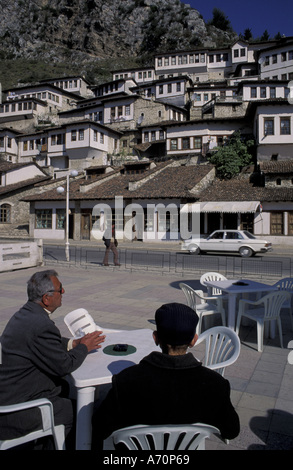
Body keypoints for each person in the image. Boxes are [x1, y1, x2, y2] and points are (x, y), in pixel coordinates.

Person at [92, 302, 240, 449]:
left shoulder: (125, 380)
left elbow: (100, 427)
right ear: (194, 340)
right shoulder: (216, 384)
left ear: (155, 338)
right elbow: (231, 431)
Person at [0, 269, 105, 449]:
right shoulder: (41, 324)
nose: (63, 292)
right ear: (47, 299)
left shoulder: (26, 314)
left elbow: (46, 342)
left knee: (66, 390)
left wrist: (74, 343)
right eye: (60, 289)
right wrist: (84, 347)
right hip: (17, 412)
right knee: (81, 412)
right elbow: (65, 365)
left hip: (11, 394)